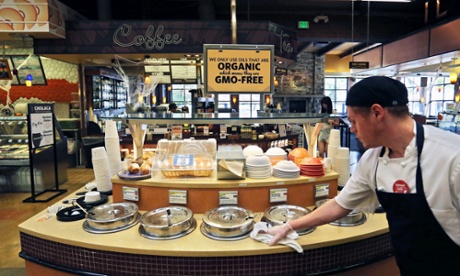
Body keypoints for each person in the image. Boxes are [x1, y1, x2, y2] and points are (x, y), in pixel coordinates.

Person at [267, 76, 460, 275]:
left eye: (353, 121)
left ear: (377, 113)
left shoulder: (452, 156)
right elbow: (339, 205)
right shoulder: (372, 159)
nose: (351, 129)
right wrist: (290, 226)